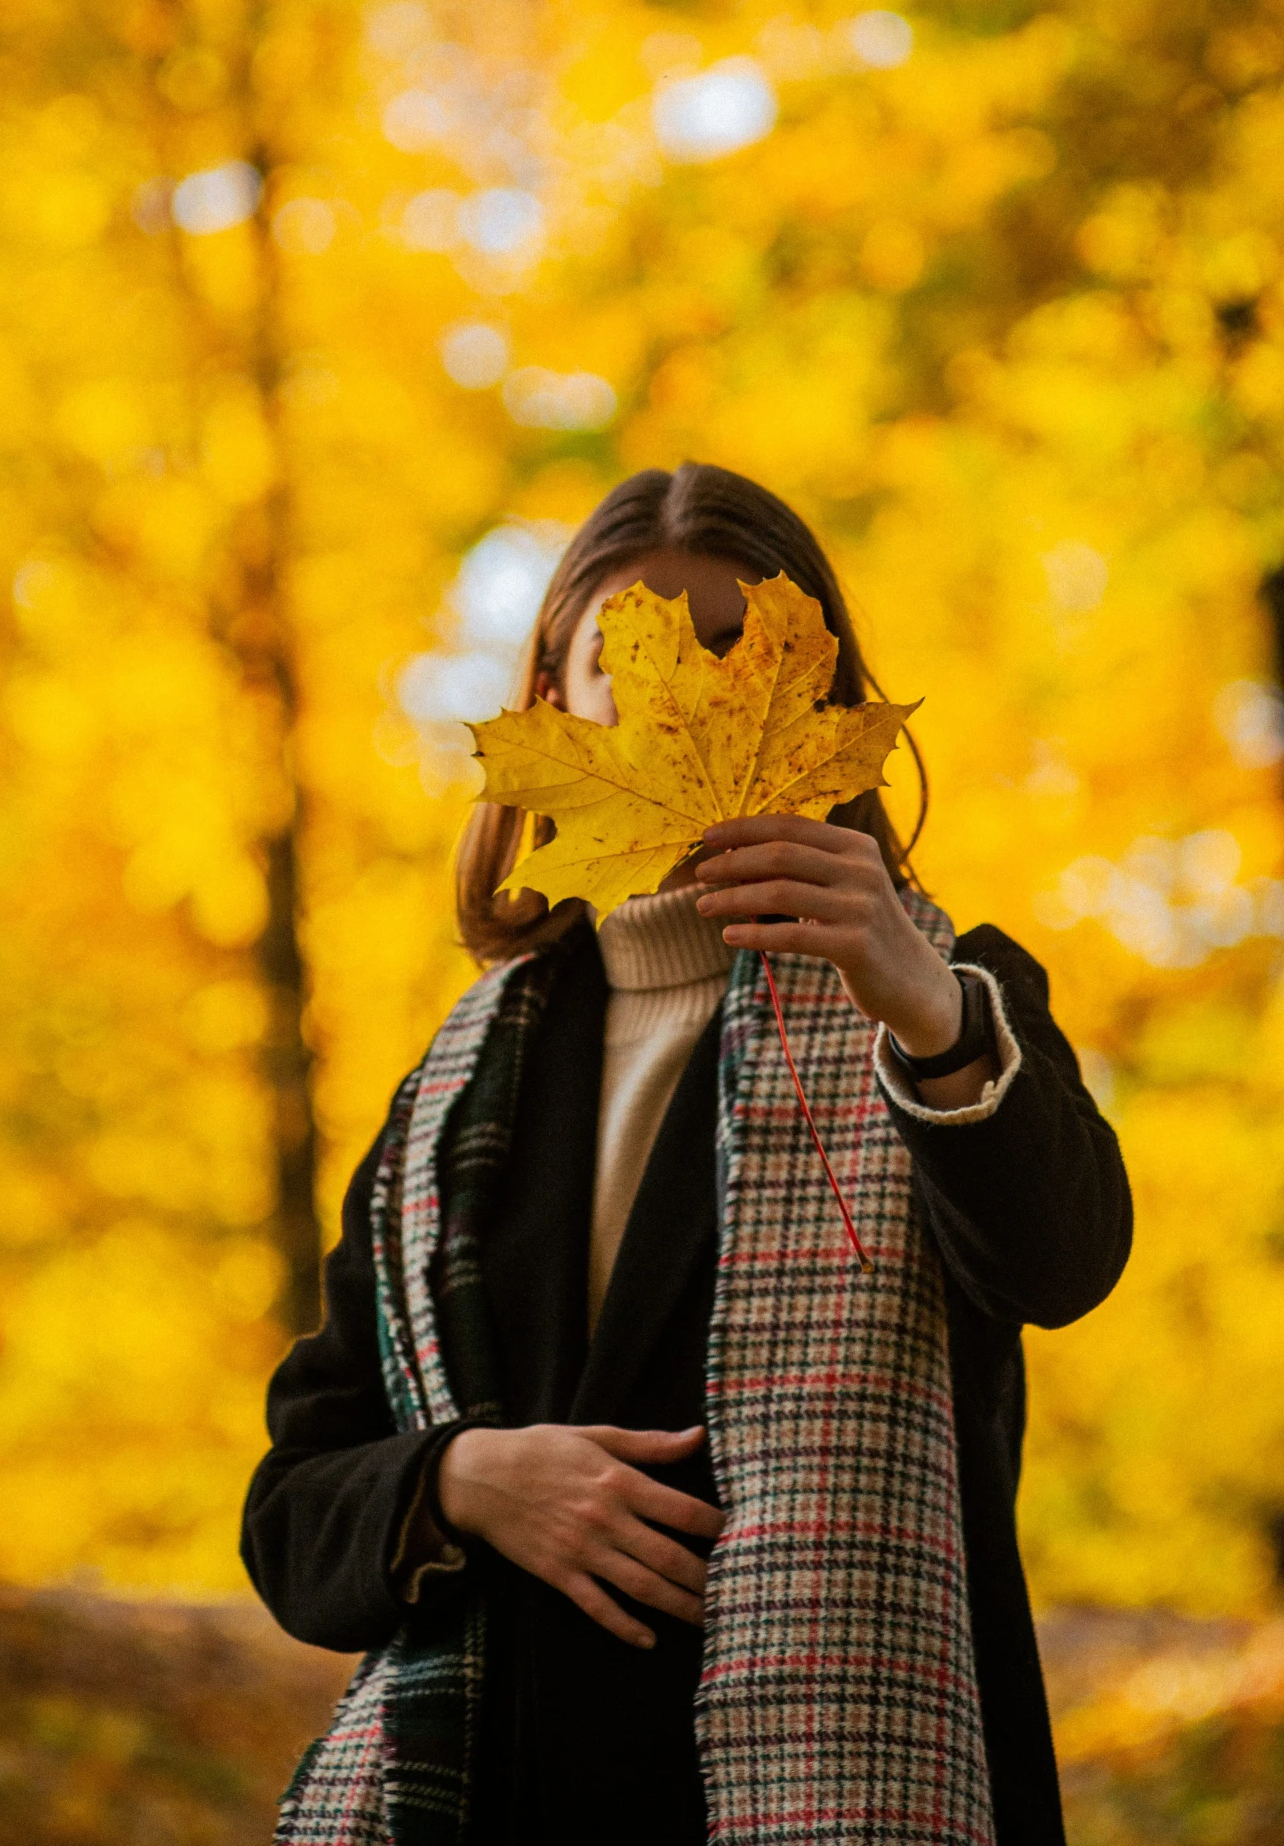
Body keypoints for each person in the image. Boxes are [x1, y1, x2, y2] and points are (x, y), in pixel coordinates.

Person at [242, 462, 1132, 1846]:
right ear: (552, 705)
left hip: (842, 1787)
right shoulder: (452, 1093)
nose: (689, 699)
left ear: (821, 706)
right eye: (626, 658)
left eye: (737, 651)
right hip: (501, 1797)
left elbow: (1065, 1260)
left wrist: (930, 1012)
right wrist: (463, 1480)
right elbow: (295, 1514)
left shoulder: (950, 997)